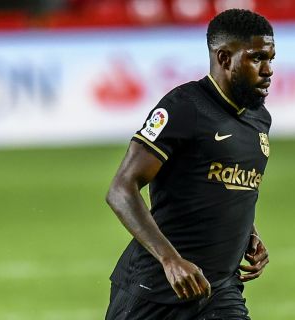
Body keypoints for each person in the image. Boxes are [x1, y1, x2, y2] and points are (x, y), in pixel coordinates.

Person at [105, 8, 275, 320]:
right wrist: (170, 260)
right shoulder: (185, 107)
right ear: (224, 58)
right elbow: (121, 189)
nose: (268, 70)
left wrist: (246, 231)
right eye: (256, 58)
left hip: (220, 292)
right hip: (154, 292)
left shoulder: (259, 120)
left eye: (270, 58)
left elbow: (223, 186)